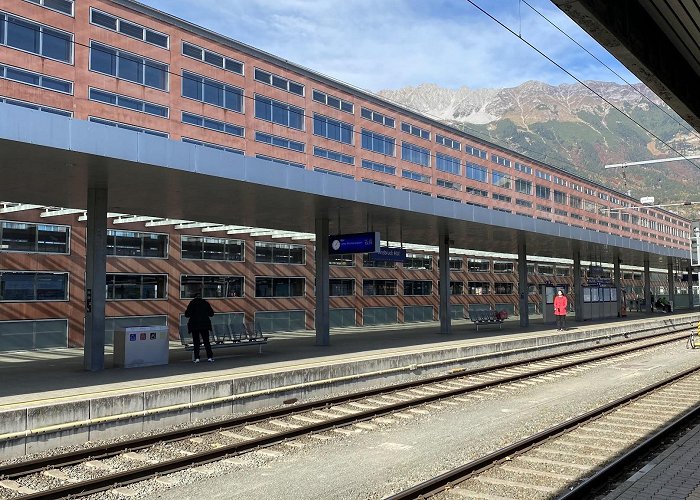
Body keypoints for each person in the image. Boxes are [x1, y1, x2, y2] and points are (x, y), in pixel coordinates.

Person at [185, 293, 214, 363]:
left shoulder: (192, 303)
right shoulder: (205, 303)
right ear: (201, 297)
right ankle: (209, 357)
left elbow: (187, 314)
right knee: (206, 342)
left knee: (196, 342)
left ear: (194, 297)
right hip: (204, 325)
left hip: (194, 325)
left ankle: (197, 358)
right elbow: (211, 314)